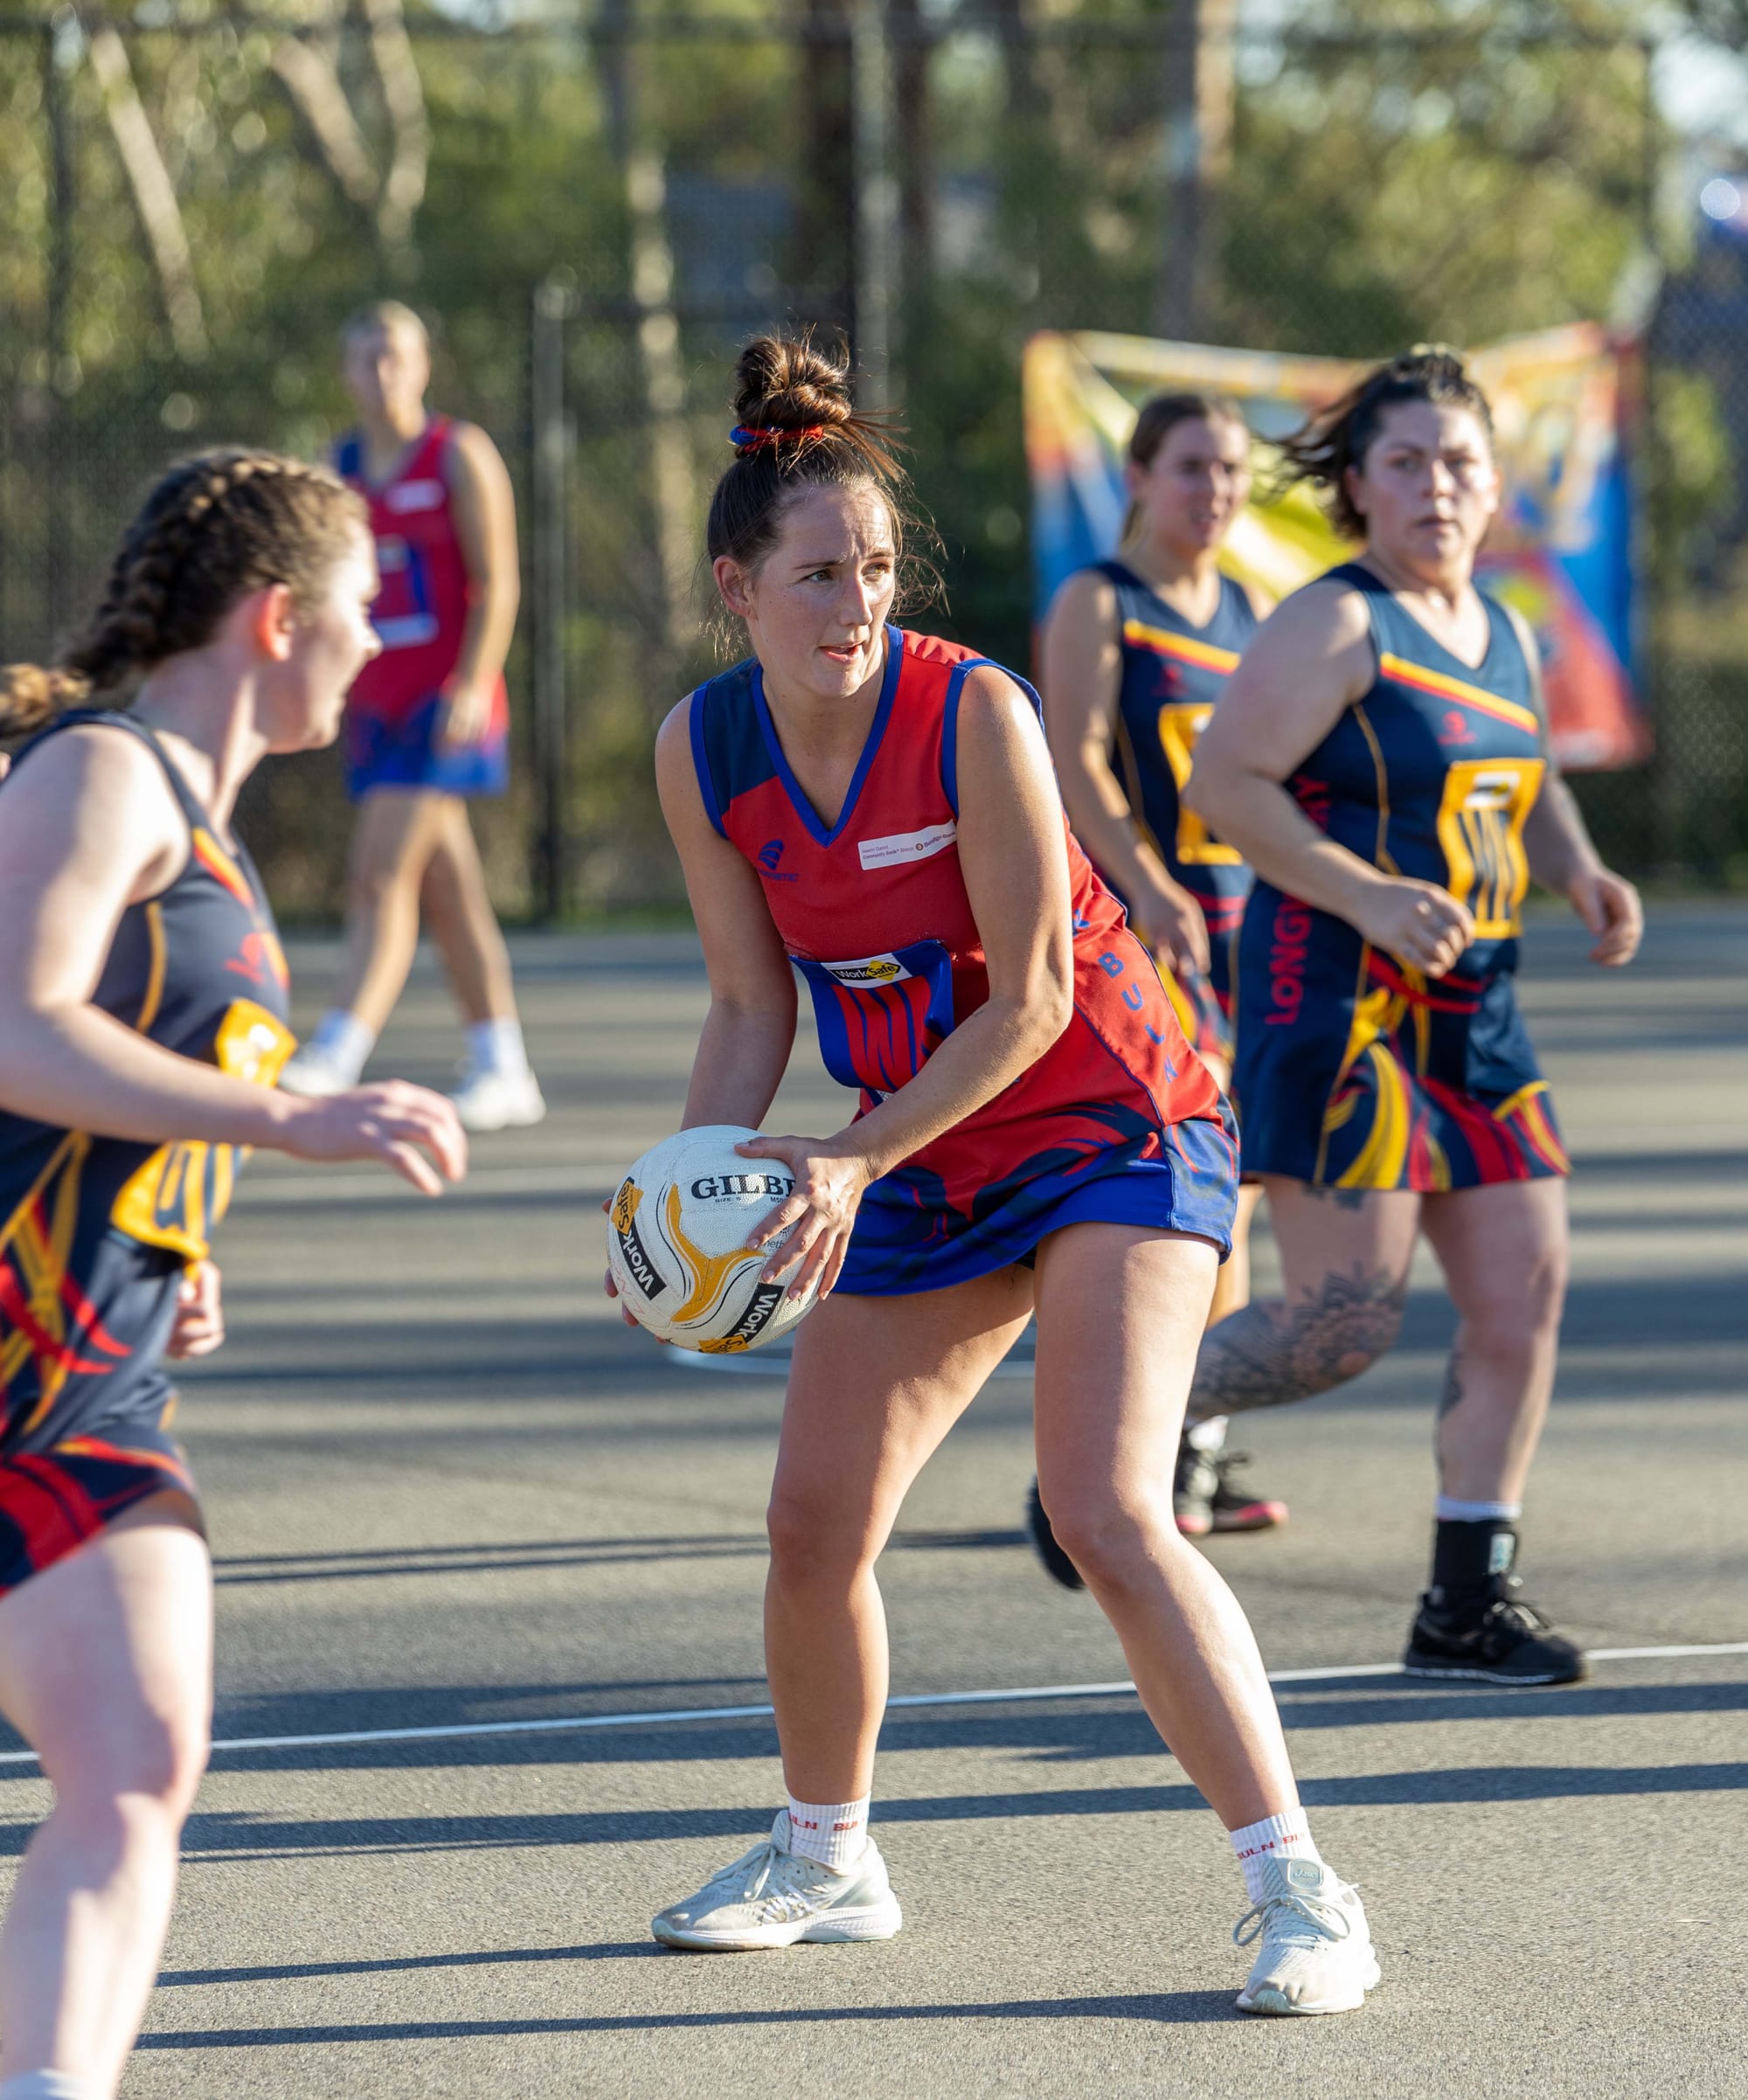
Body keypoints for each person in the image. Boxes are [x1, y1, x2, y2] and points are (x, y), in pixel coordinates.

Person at [614, 335, 1379, 2015]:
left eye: (879, 569)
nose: (857, 602)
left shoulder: (975, 712)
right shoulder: (707, 751)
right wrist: (684, 1202)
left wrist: (844, 1162)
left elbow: (1034, 1000)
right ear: (738, 587)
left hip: (1114, 1121)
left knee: (1105, 1509)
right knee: (813, 1526)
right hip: (926, 1152)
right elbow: (753, 1004)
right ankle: (828, 1855)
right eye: (820, 574)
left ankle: (1302, 1888)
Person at [0, 449, 467, 2100]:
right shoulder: (103, 776)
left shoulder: (211, 833)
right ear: (279, 620)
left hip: (82, 1384)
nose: (378, 640)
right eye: (361, 610)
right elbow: (16, 1027)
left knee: (135, 1765)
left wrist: (171, 1232)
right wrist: (293, 1119)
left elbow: (118, 1087)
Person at [1184, 348, 1643, 1687]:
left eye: (1461, 461)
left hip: (1476, 1005)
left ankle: (1464, 1603)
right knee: (1339, 1325)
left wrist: (1579, 872)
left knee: (1524, 1296)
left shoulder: (1499, 623)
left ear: (1495, 485)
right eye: (1407, 460)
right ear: (1359, 488)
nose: (1438, 483)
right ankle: (1110, 1421)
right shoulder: (1336, 624)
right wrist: (1370, 895)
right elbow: (1227, 785)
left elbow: (1524, 778)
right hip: (1341, 997)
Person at [1027, 391, 1283, 1579]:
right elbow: (1070, 759)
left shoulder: (1251, 609)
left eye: (1230, 469)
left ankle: (1199, 1440)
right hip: (1143, 937)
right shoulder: (1099, 601)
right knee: (1193, 1187)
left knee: (1247, 1192)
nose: (1214, 489)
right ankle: (1125, 1452)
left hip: (1246, 930)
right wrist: (1145, 884)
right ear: (1136, 474)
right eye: (1191, 466)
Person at [278, 301, 545, 1132]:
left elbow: (497, 583)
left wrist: (473, 681)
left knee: (377, 875)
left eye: (395, 354)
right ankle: (503, 1063)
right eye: (365, 358)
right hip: (374, 702)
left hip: (446, 703)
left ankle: (334, 1049)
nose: (382, 371)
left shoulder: (459, 453)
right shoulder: (340, 466)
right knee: (447, 883)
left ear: (423, 364)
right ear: (347, 374)